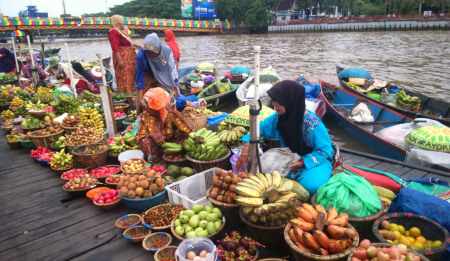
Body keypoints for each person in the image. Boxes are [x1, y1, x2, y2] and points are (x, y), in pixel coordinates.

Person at [236, 80, 333, 195]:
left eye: (279, 101)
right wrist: (245, 151)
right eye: (274, 101)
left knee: (310, 187)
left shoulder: (312, 123)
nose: (275, 105)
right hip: (291, 155)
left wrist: (302, 163)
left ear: (290, 101)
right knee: (263, 169)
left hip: (315, 159)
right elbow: (258, 129)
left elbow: (325, 150)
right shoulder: (279, 117)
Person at [136, 87, 192, 163]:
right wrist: (150, 134)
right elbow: (138, 138)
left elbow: (189, 130)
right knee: (145, 141)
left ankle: (178, 160)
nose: (146, 107)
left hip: (173, 146)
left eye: (149, 105)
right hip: (156, 149)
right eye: (145, 104)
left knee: (185, 136)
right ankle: (155, 164)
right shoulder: (146, 116)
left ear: (158, 107)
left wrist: (176, 113)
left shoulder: (170, 114)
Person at [135, 33, 179, 106]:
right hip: (147, 76)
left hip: (163, 75)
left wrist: (175, 86)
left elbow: (172, 69)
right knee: (146, 100)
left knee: (165, 98)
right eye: (148, 52)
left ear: (158, 50)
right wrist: (140, 99)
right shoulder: (142, 55)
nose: (150, 54)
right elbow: (140, 77)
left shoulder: (166, 51)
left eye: (152, 52)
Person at [108, 14, 138, 94]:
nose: (123, 23)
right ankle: (126, 94)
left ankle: (131, 93)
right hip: (123, 58)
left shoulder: (120, 31)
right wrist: (120, 60)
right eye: (122, 22)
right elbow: (115, 46)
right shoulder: (113, 31)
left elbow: (126, 43)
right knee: (124, 76)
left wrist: (135, 45)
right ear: (118, 22)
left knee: (130, 76)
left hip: (128, 58)